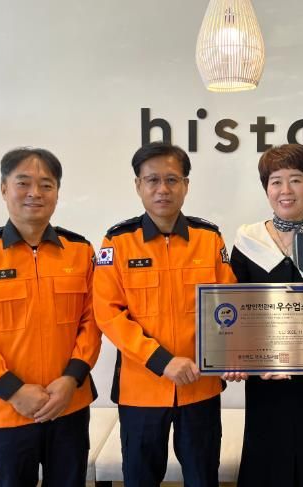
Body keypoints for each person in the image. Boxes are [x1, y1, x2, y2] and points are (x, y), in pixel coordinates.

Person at [0, 147, 102, 487]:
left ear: (57, 192)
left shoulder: (81, 252)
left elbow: (92, 322)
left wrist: (71, 380)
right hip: (5, 411)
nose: (35, 193)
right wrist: (14, 391)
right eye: (23, 183)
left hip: (69, 405)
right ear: (4, 189)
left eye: (46, 185)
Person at [93, 141, 237, 487]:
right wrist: (163, 361)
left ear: (186, 185)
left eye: (172, 180)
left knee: (203, 478)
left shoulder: (209, 238)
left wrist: (233, 354)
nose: (162, 189)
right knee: (140, 479)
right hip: (141, 390)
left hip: (200, 387)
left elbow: (230, 304)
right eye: (152, 180)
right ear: (138, 185)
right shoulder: (117, 242)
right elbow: (109, 314)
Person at [226, 144, 303, 487]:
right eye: (276, 181)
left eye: (296, 180)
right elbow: (235, 305)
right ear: (266, 188)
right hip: (265, 374)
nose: (286, 190)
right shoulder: (248, 239)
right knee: (265, 451)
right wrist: (241, 357)